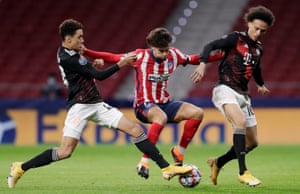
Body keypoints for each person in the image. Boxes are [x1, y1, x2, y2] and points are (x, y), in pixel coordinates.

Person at [7, 19, 193, 189]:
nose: (82, 40)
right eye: (79, 37)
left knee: (136, 130)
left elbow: (84, 73)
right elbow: (100, 76)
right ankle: (21, 167)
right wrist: (122, 63)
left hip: (95, 104)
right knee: (65, 151)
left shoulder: (71, 52)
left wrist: (91, 67)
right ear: (68, 39)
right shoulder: (68, 57)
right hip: (79, 107)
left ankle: (166, 168)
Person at [82, 27, 223, 179]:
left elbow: (192, 59)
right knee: (160, 117)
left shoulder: (173, 55)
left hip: (165, 103)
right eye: (161, 51)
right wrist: (86, 52)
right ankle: (144, 162)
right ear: (152, 47)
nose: (164, 54)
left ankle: (179, 153)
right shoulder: (140, 56)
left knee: (197, 113)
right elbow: (113, 57)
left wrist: (219, 56)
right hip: (144, 105)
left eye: (166, 50)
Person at [191, 6, 275, 186]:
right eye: (256, 28)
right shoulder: (235, 38)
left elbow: (256, 69)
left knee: (252, 143)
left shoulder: (258, 49)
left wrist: (260, 84)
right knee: (240, 124)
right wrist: (203, 64)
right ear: (249, 23)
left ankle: (218, 162)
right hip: (225, 89)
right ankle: (243, 172)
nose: (259, 33)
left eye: (263, 30)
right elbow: (210, 46)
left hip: (244, 96)